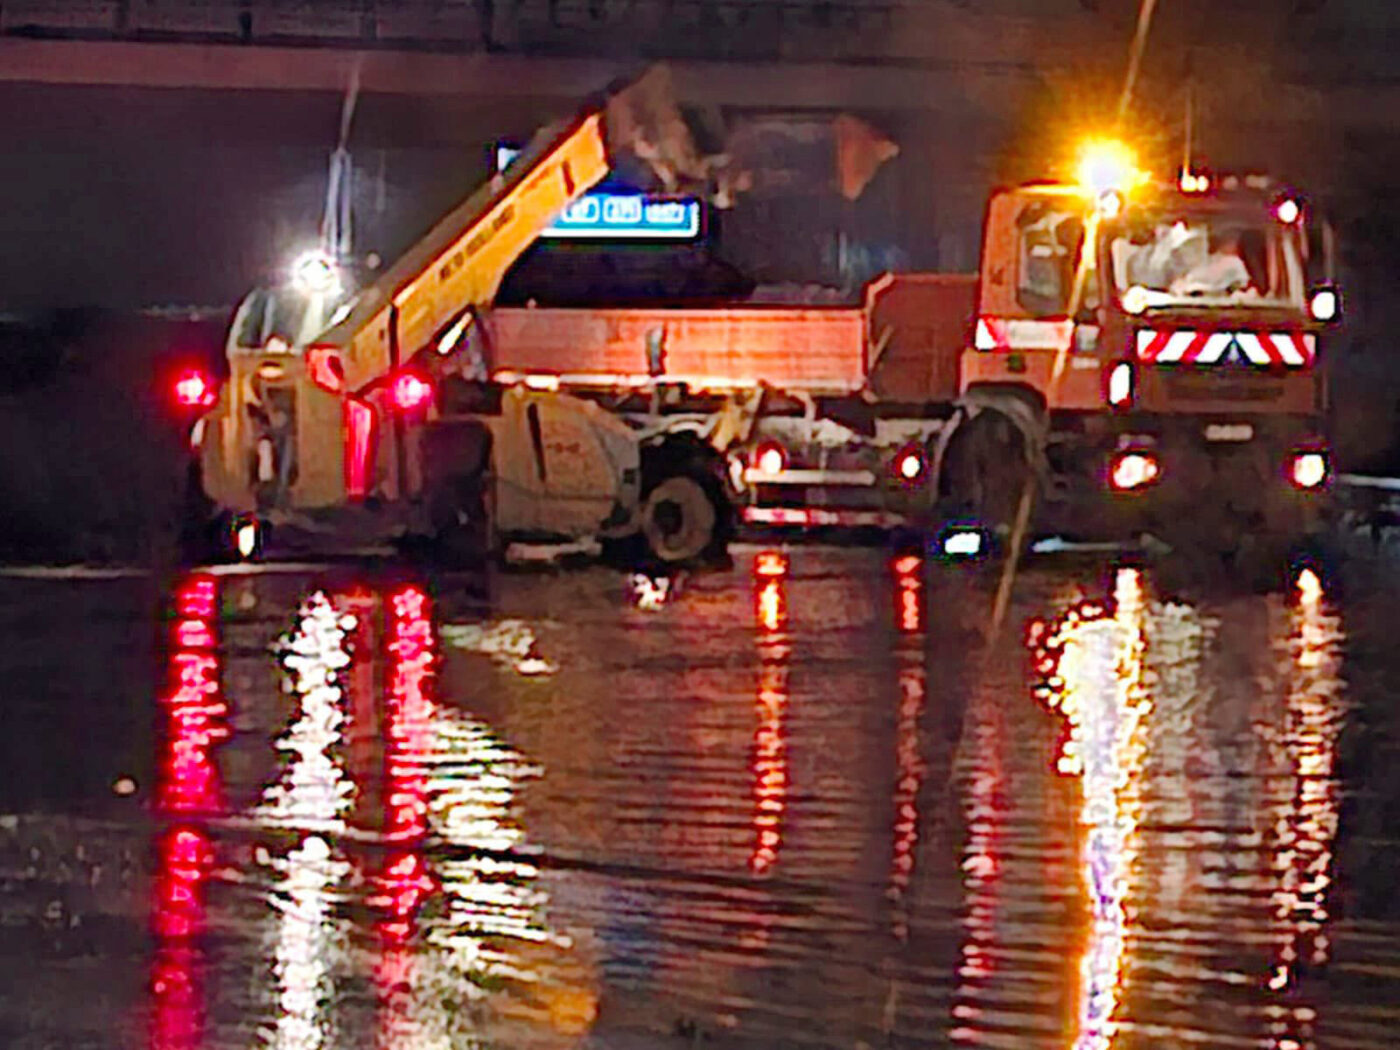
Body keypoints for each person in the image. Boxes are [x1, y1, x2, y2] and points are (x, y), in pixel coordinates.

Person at [1171, 228, 1254, 296]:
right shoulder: (1183, 280)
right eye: (1186, 247)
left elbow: (1241, 290)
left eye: (1198, 243)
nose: (1193, 250)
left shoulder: (1231, 264)